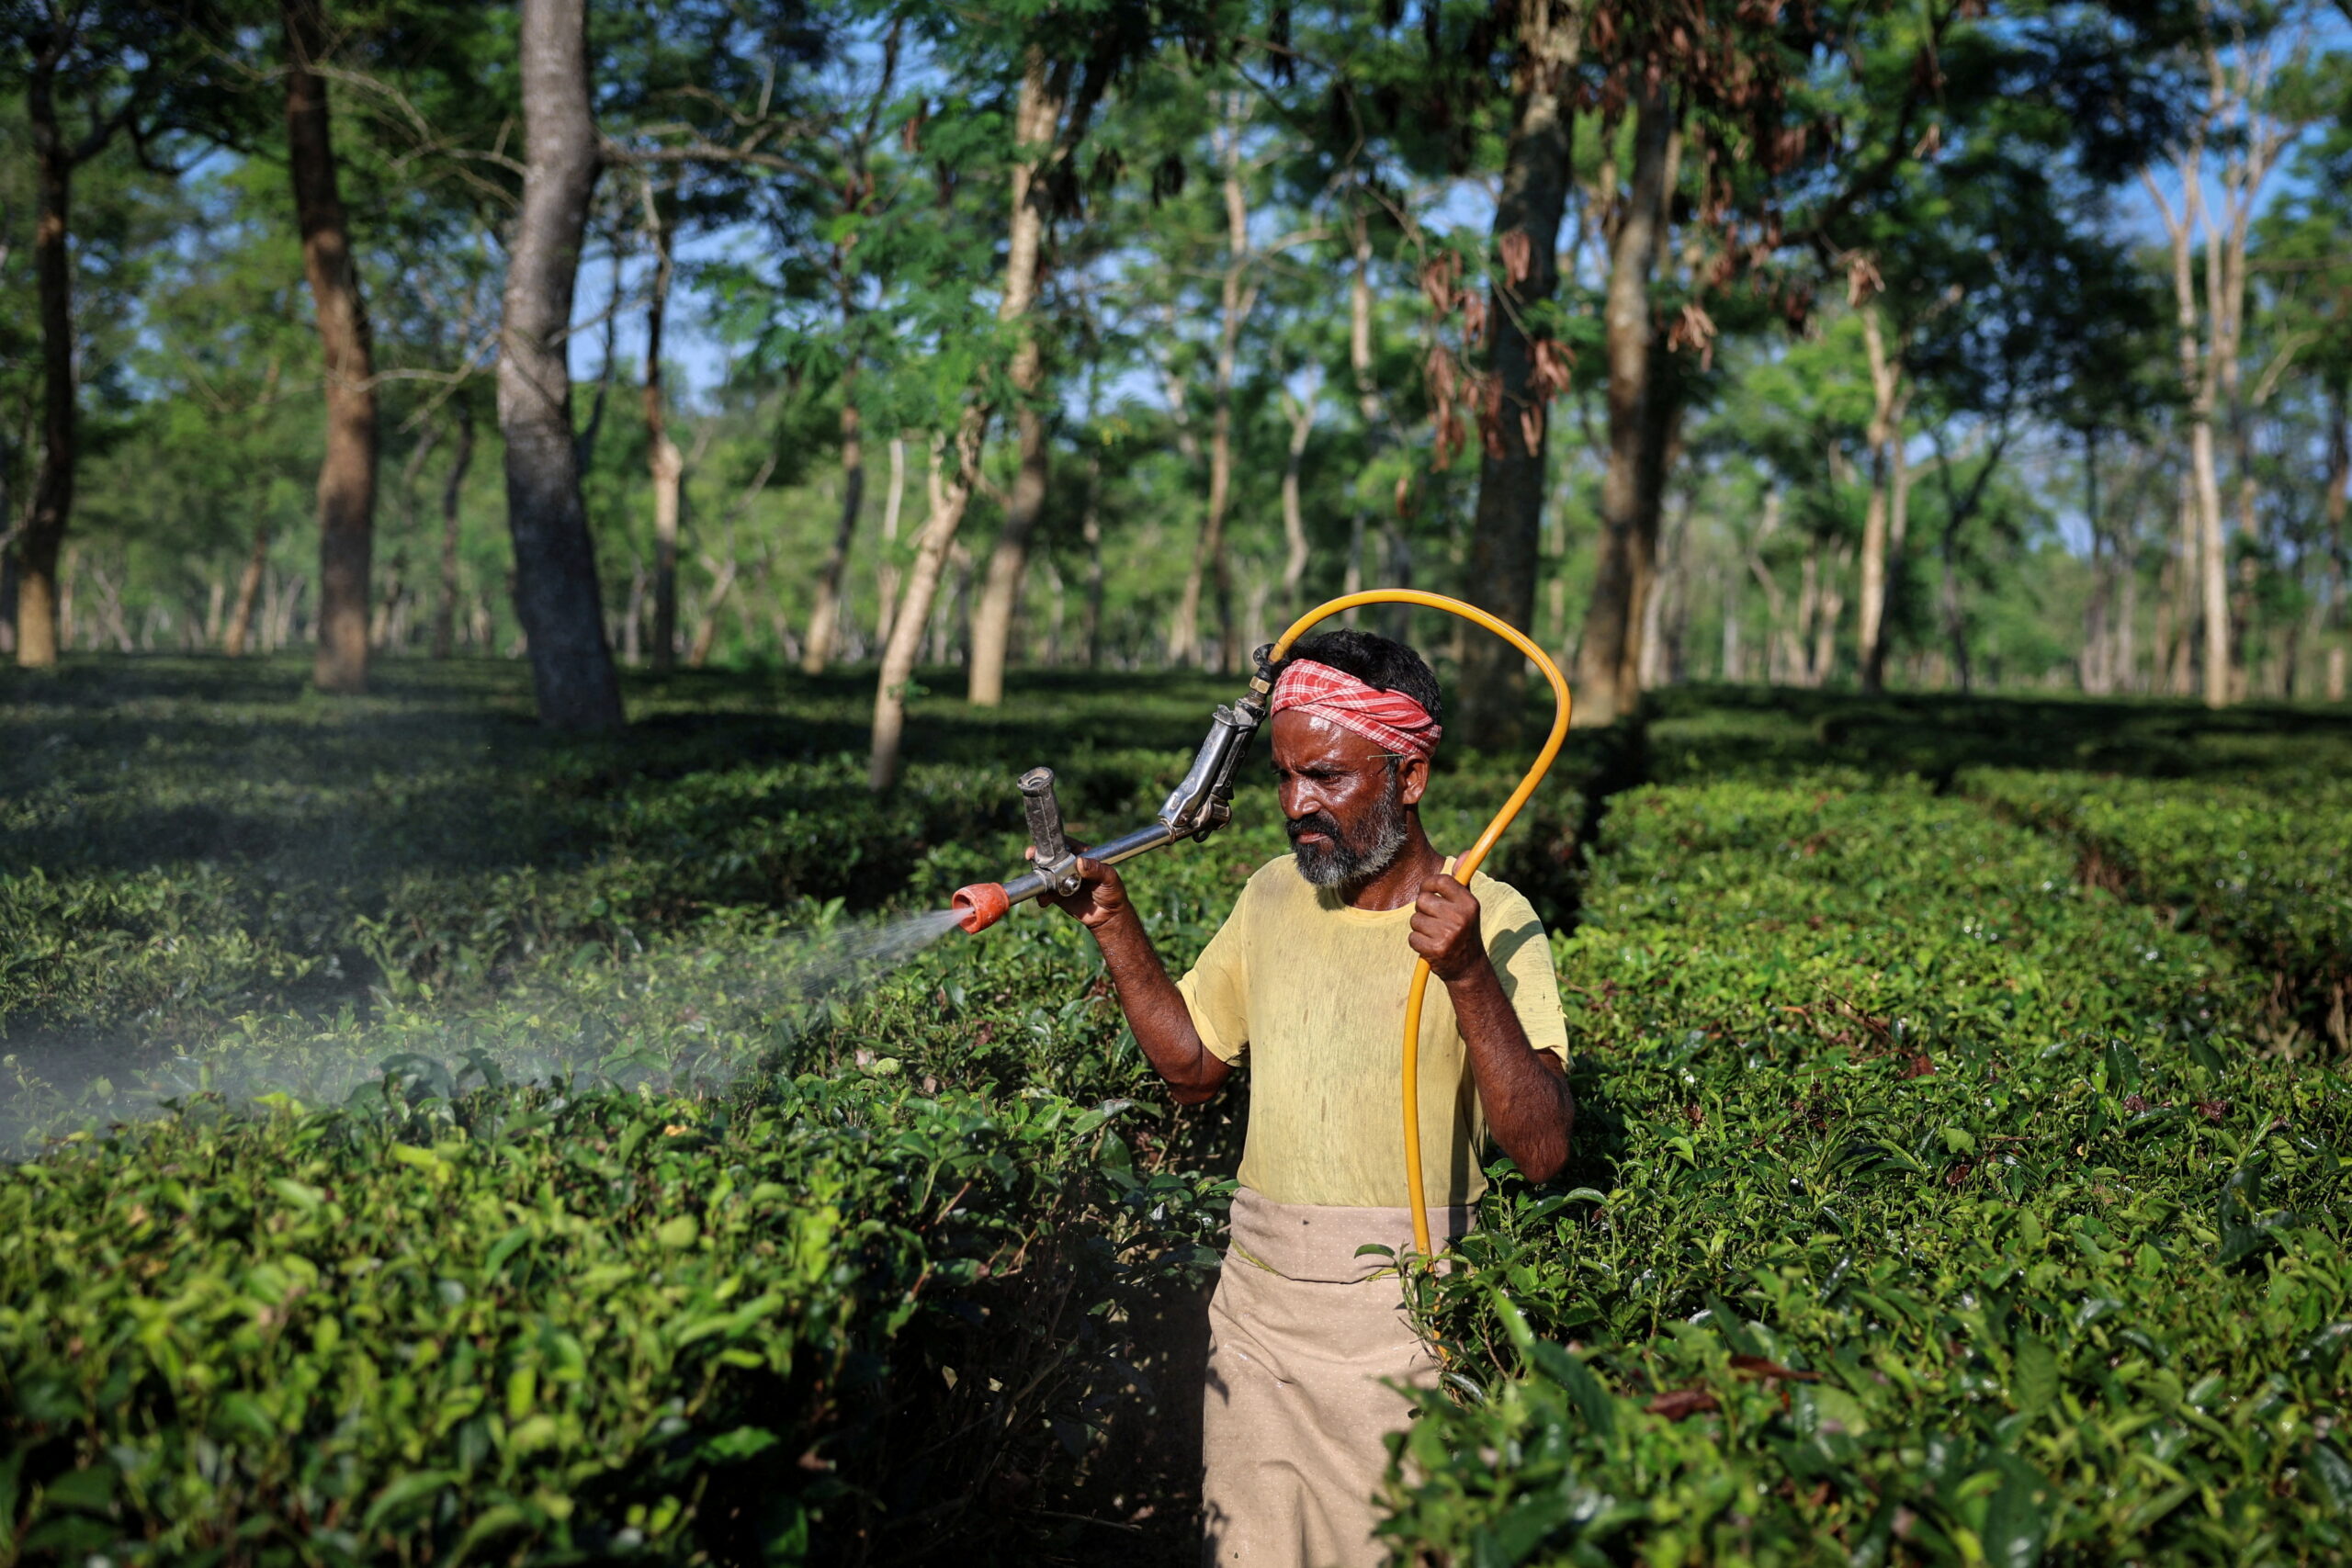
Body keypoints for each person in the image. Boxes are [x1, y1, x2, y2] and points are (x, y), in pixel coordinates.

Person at [1038, 628, 1574, 1568]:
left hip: (1407, 1328)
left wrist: (1467, 972)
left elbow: (1542, 1151)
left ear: (1409, 776)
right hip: (1258, 1321)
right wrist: (1112, 923)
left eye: (1326, 776)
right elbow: (1193, 1072)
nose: (1297, 805)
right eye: (1286, 778)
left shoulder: (1497, 915)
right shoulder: (1271, 897)